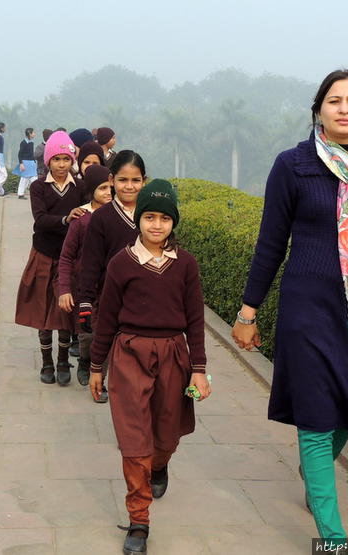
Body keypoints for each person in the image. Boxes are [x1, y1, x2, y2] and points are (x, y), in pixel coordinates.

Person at [231, 69, 348, 544]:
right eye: (334, 101)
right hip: (307, 307)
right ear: (319, 109)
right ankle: (332, 538)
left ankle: (313, 472)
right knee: (315, 413)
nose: (344, 108)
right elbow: (271, 243)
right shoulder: (293, 165)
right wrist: (248, 312)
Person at [88, 178, 211, 555]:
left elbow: (195, 319)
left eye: (164, 219)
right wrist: (97, 365)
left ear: (174, 223)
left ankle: (160, 465)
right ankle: (139, 519)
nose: (156, 225)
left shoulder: (185, 264)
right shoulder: (121, 263)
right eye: (149, 217)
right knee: (133, 440)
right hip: (129, 356)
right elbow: (106, 317)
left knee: (166, 436)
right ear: (139, 219)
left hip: (174, 355)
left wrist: (200, 369)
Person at [15, 131, 86, 385]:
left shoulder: (80, 187)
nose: (61, 165)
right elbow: (41, 219)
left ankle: (64, 360)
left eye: (65, 159)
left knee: (66, 311)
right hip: (43, 255)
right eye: (56, 159)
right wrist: (66, 219)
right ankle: (46, 362)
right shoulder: (38, 187)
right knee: (43, 312)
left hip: (69, 259)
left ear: (71, 160)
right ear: (48, 161)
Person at [77, 150, 147, 403]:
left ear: (144, 181)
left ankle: (135, 396)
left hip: (145, 299)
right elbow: (91, 263)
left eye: (135, 180)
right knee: (105, 342)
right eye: (123, 180)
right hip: (109, 295)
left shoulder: (151, 216)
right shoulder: (102, 218)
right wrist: (85, 301)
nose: (129, 186)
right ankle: (102, 379)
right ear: (112, 179)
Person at [58, 165, 113, 386]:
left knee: (106, 333)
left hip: (110, 287)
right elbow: (66, 257)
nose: (108, 192)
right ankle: (84, 360)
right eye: (102, 188)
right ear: (91, 190)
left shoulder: (118, 217)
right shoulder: (81, 220)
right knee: (87, 332)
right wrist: (64, 289)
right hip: (84, 289)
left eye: (111, 187)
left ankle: (101, 376)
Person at [12, 128, 37, 199]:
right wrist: (21, 163)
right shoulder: (23, 143)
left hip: (31, 163)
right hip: (25, 163)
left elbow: (31, 154)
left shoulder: (31, 142)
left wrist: (34, 162)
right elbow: (20, 154)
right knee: (24, 179)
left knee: (34, 178)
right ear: (29, 133)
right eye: (33, 132)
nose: (34, 134)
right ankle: (20, 194)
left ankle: (37, 193)